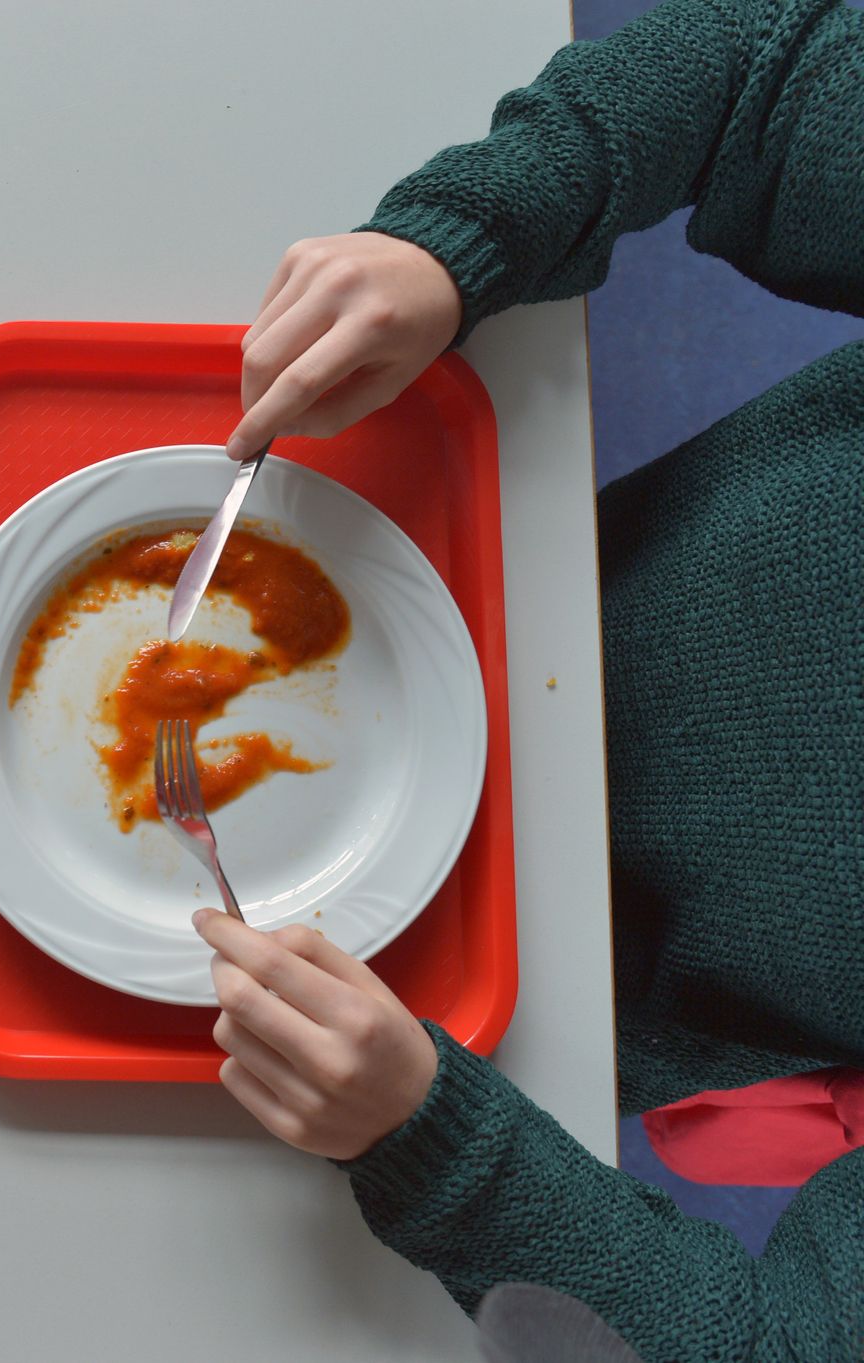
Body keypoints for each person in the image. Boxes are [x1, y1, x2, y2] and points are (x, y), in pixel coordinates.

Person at [194, 0, 864, 1357]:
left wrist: (432, 1145)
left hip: (481, 1001)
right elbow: (761, 66)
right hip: (467, 560)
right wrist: (461, 239)